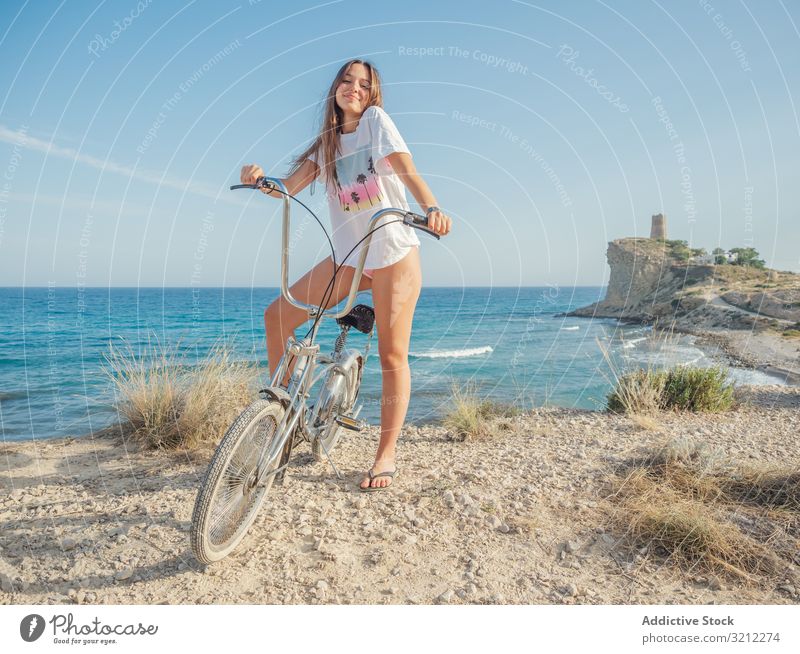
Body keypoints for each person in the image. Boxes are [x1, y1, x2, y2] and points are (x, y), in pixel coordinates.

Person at [240, 59, 451, 491]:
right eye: (346, 80)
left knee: (393, 356)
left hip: (393, 253)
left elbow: (405, 166)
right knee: (277, 316)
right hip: (350, 257)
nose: (353, 87)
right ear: (335, 87)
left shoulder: (375, 122)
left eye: (363, 83)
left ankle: (385, 454)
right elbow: (289, 186)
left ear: (372, 94)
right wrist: (261, 179)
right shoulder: (328, 144)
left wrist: (431, 207)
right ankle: (281, 414)